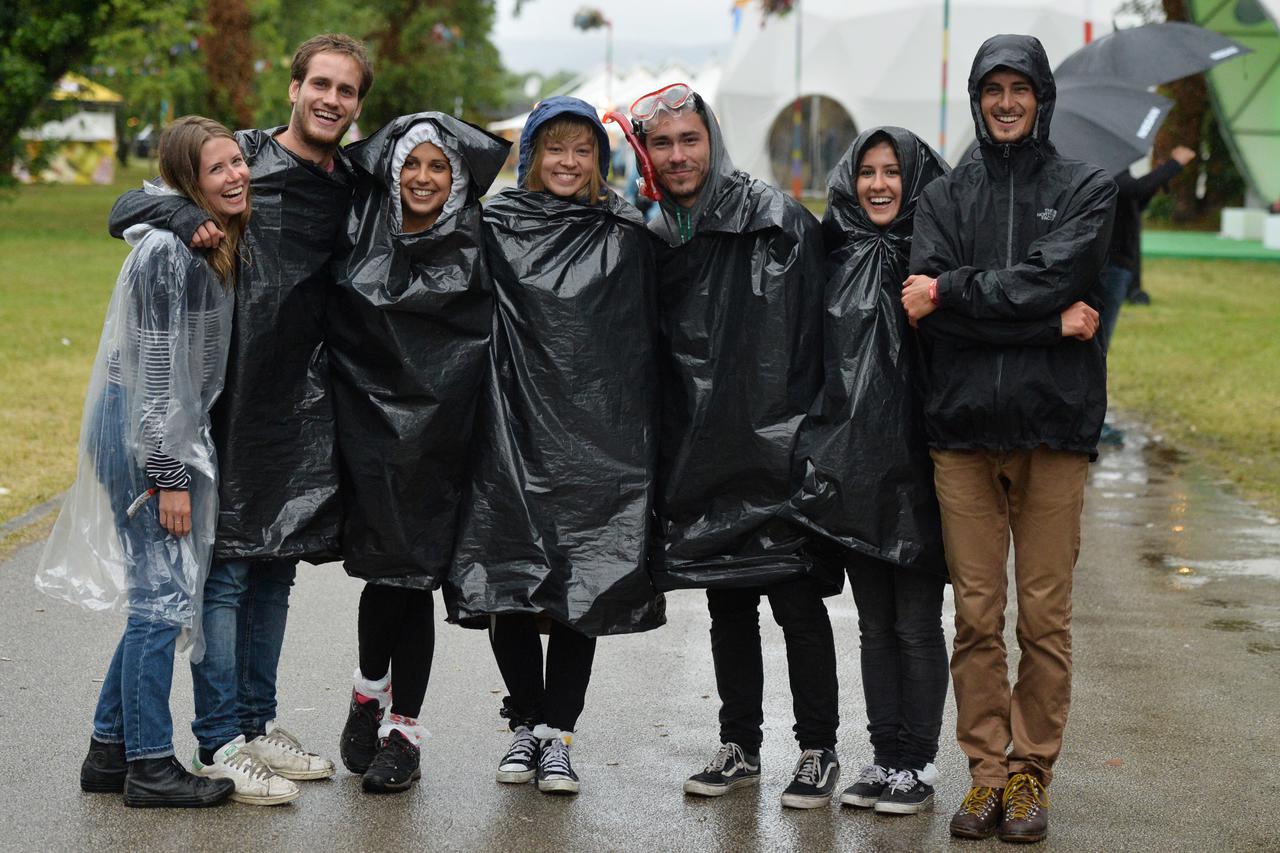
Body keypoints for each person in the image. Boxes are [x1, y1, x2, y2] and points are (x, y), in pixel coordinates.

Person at [106, 33, 373, 804]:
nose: (330, 99)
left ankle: (257, 725)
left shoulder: (353, 182)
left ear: (358, 106)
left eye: (346, 90)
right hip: (216, 401)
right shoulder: (244, 158)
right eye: (318, 83)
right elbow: (128, 205)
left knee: (274, 571)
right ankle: (219, 736)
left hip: (294, 407)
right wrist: (167, 205)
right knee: (217, 578)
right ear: (293, 87)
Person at [902, 34, 1116, 843]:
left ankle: (1031, 776)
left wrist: (957, 292)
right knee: (978, 618)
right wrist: (1044, 322)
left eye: (1018, 87)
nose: (1004, 102)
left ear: (1040, 95)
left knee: (1045, 620)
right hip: (961, 436)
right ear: (976, 98)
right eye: (991, 88)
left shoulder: (1088, 188)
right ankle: (986, 774)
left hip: (1053, 433)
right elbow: (929, 323)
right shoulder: (945, 198)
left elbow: (1051, 279)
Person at [448, 96, 665, 796]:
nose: (568, 162)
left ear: (599, 162)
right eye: (555, 148)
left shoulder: (624, 229)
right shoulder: (496, 222)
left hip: (595, 439)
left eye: (583, 150)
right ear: (533, 154)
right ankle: (525, 720)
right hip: (509, 428)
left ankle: (558, 734)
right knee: (509, 577)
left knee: (583, 581)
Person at [632, 83, 839, 810]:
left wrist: (812, 439)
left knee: (795, 598)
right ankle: (740, 743)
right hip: (704, 452)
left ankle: (818, 748)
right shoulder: (651, 235)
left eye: (690, 140)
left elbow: (822, 333)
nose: (679, 155)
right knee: (727, 606)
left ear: (711, 140)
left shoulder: (776, 218)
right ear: (646, 153)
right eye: (663, 143)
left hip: (777, 445)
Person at [37, 116, 248, 808]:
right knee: (161, 596)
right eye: (216, 168)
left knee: (162, 590)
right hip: (146, 428)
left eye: (237, 162)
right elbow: (158, 370)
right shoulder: (170, 251)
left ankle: (108, 749)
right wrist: (167, 473)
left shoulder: (202, 237)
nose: (236, 174)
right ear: (188, 183)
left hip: (154, 423)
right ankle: (150, 764)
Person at [329, 112, 509, 794]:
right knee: (386, 571)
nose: (425, 178)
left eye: (439, 166)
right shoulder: (357, 226)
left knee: (416, 578)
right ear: (392, 169)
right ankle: (369, 685)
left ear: (458, 176)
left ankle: (402, 728)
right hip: (370, 428)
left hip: (446, 437)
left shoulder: (481, 239)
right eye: (413, 164)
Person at [1099, 145, 1194, 351]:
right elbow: (1136, 188)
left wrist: (1157, 177)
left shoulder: (1117, 169)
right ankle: (1092, 380)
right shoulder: (1107, 168)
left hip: (1118, 262)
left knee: (1101, 336)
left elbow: (1135, 201)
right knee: (1100, 338)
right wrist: (1174, 164)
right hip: (1109, 265)